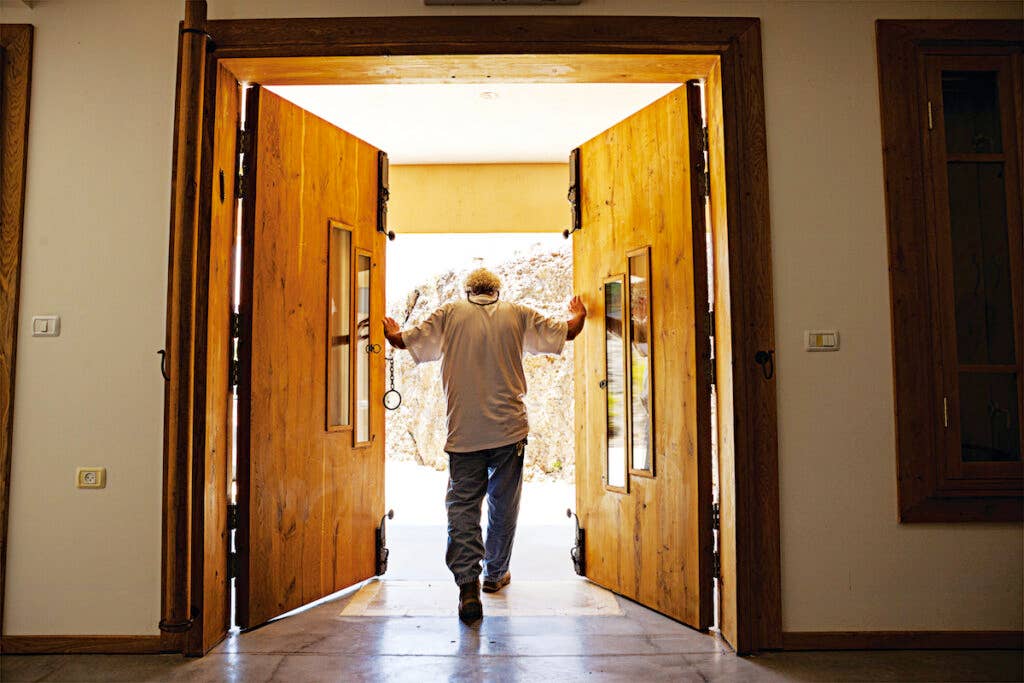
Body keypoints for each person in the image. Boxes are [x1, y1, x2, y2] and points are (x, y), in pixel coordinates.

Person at [382, 267, 586, 624]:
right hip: (509, 432)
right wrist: (578, 315)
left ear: (467, 291)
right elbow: (567, 333)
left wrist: (391, 330)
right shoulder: (517, 313)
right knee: (503, 505)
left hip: (463, 434)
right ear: (497, 291)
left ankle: (467, 586)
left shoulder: (449, 314)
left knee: (462, 508)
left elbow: (403, 342)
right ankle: (495, 574)